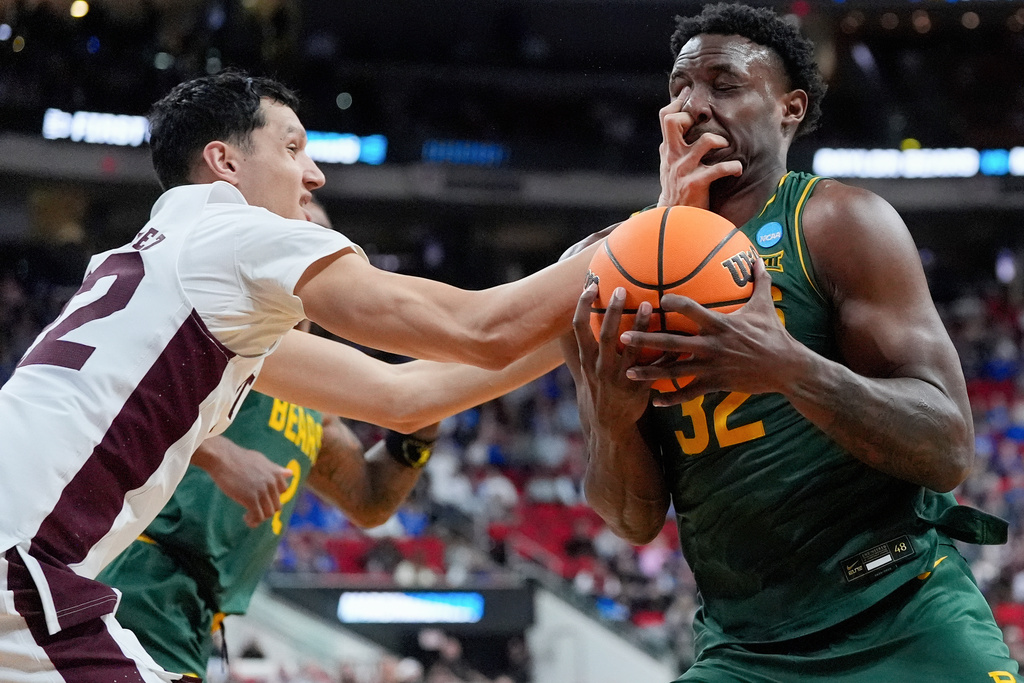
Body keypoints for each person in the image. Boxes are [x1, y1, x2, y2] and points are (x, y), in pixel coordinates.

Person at [0, 69, 595, 681]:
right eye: (291, 149)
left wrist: (577, 324)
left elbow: (404, 395)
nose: (313, 175)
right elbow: (478, 327)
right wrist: (636, 248)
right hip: (33, 562)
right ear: (224, 162)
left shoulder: (177, 273)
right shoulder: (232, 234)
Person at [564, 4, 1018, 682]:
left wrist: (786, 366)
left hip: (901, 611)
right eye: (680, 87)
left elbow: (948, 447)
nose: (694, 103)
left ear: (790, 108)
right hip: (747, 648)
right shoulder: (610, 268)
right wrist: (609, 415)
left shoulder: (838, 222)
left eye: (725, 83)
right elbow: (631, 519)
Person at [95, 203, 442, 678]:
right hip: (142, 570)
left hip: (192, 606)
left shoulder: (313, 395)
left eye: (323, 237)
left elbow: (370, 500)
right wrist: (218, 452)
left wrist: (421, 431)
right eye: (299, 231)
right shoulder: (225, 329)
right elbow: (111, 390)